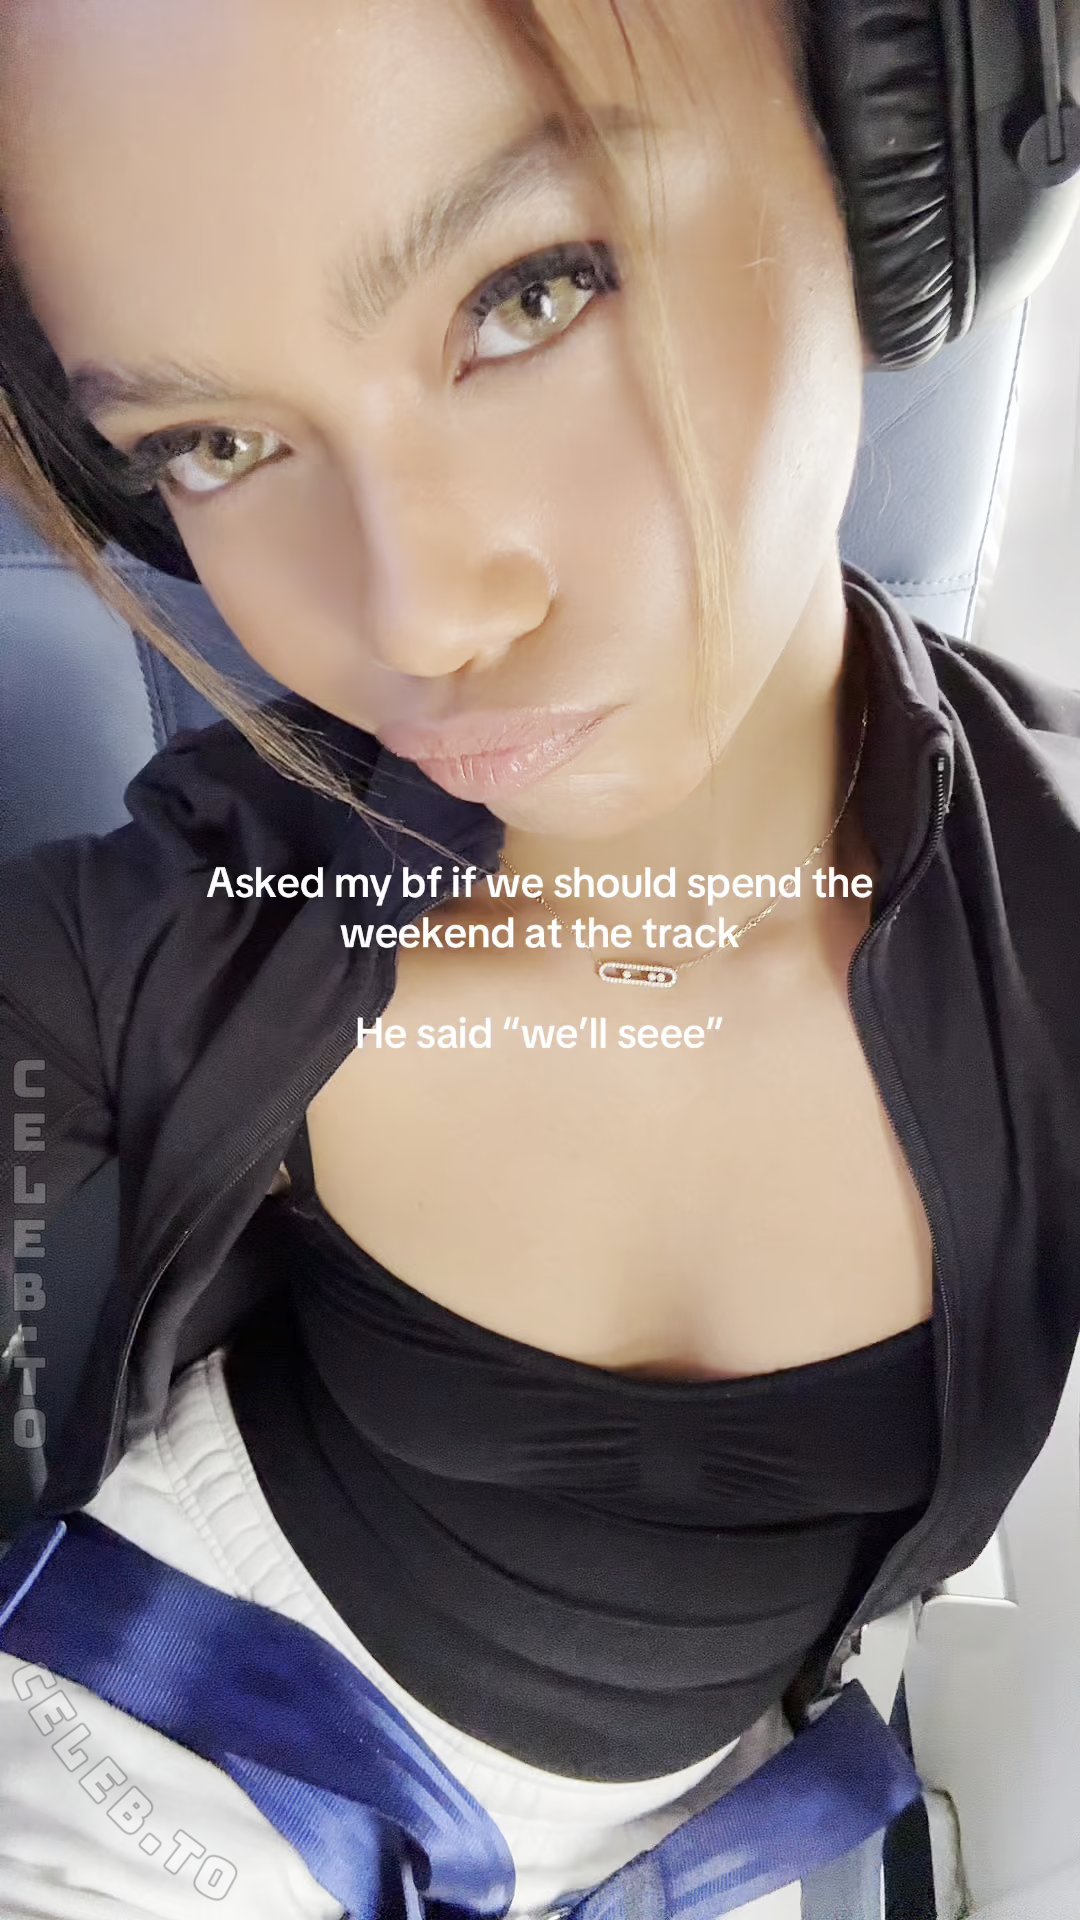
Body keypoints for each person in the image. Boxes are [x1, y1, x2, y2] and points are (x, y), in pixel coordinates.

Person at [0, 1, 1078, 1915]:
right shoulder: (146, 957)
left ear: (901, 153)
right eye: (214, 441)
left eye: (531, 292)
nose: (421, 614)